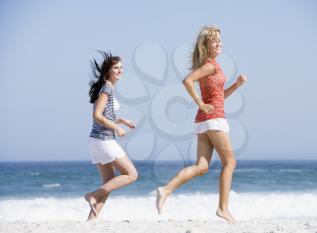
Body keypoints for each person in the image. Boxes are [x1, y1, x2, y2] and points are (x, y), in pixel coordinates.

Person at [156, 26, 247, 223]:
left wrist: (236, 85)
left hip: (205, 120)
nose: (219, 43)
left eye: (220, 40)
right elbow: (187, 81)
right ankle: (223, 209)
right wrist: (200, 103)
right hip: (213, 119)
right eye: (215, 41)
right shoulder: (210, 65)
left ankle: (166, 190)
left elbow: (219, 97)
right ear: (206, 45)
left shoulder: (213, 66)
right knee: (230, 163)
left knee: (201, 166)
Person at [84, 51, 138, 221]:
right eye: (116, 67)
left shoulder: (107, 87)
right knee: (131, 174)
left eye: (121, 67)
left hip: (97, 141)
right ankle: (92, 194)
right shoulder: (107, 87)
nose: (120, 70)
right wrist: (117, 128)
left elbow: (106, 114)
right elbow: (97, 115)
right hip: (103, 140)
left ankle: (90, 222)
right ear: (108, 70)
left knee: (108, 185)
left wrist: (122, 121)